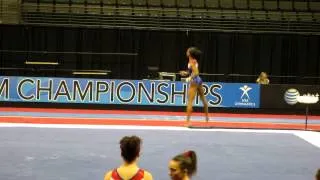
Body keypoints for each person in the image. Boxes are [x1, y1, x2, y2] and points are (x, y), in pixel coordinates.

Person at [180, 47, 209, 126]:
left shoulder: (192, 61)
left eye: (187, 50)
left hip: (194, 81)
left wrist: (189, 78)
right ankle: (207, 119)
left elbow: (196, 72)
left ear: (189, 53)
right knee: (203, 98)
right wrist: (186, 73)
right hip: (198, 80)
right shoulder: (192, 61)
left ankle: (188, 122)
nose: (186, 51)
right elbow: (192, 71)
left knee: (190, 102)